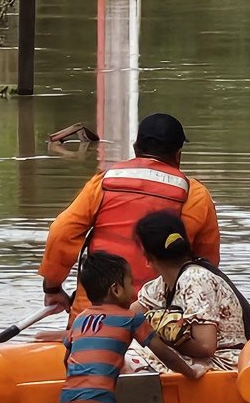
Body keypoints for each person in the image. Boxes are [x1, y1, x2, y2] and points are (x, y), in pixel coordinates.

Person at [38, 113, 220, 324]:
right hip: (159, 321)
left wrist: (52, 288)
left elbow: (62, 231)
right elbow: (207, 266)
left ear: (135, 148)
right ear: (178, 154)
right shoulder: (195, 195)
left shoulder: (104, 182)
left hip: (91, 318)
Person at [60, 251, 204, 403]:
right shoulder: (130, 319)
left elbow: (66, 360)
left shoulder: (79, 319)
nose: (135, 290)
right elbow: (164, 354)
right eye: (130, 283)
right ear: (116, 290)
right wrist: (191, 372)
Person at [125, 211, 250, 373]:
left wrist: (160, 336)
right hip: (194, 360)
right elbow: (131, 315)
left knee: (128, 360)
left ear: (146, 256)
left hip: (222, 364)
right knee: (119, 353)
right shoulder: (162, 284)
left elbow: (205, 347)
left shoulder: (196, 279)